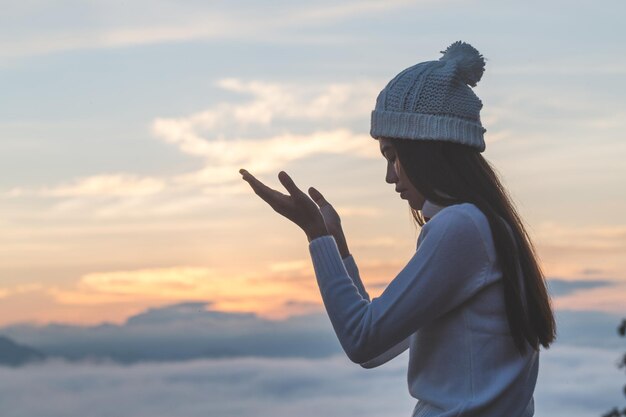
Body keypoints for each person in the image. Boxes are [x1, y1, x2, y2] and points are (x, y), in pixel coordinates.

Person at [239, 40, 556, 417]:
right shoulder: (486, 226)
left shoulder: (460, 228)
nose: (390, 177)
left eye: (393, 156)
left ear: (425, 148)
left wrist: (316, 235)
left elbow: (361, 341)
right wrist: (338, 246)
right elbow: (376, 347)